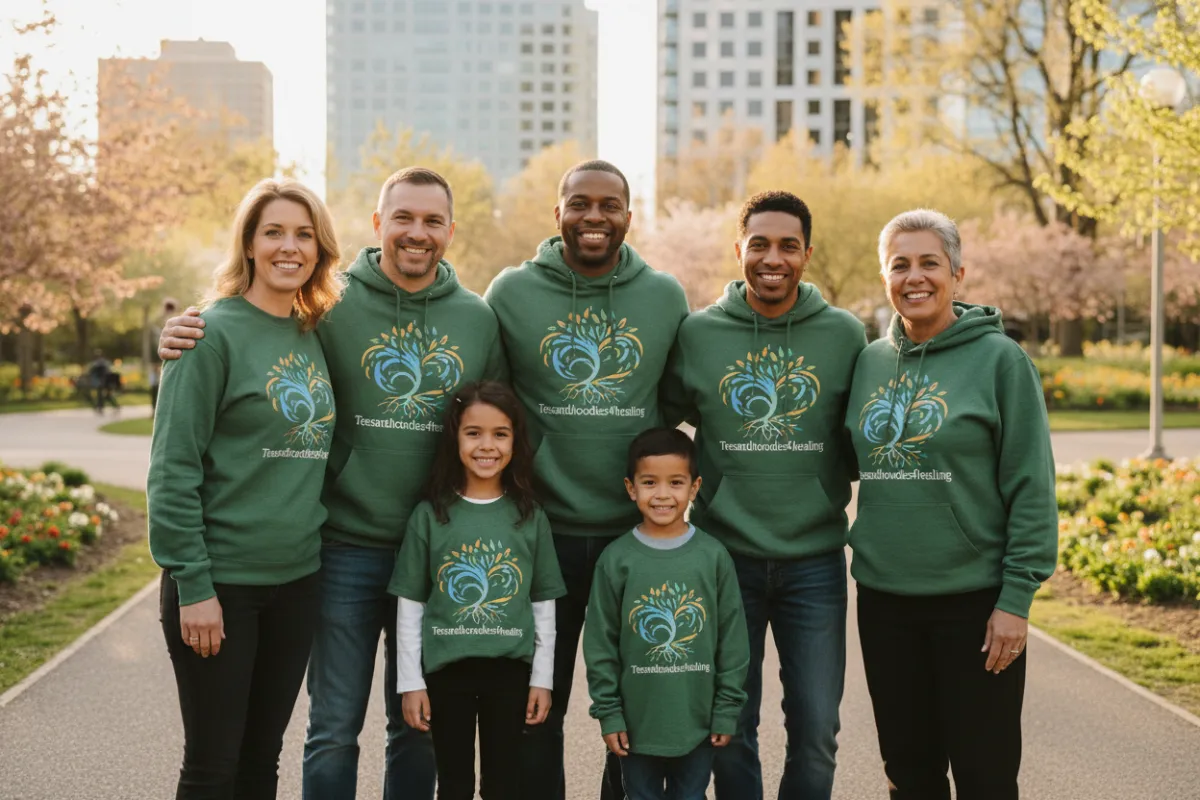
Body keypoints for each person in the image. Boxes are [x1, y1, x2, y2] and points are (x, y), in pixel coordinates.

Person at [158, 167, 508, 800]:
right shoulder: (325, 309)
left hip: (428, 552)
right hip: (339, 550)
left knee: (413, 727)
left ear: (451, 230)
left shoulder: (472, 319)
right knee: (328, 729)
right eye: (402, 217)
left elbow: (493, 427)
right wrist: (183, 333)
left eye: (432, 221)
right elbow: (236, 338)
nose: (416, 232)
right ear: (377, 225)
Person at [484, 160, 691, 800]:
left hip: (635, 542)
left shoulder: (664, 297)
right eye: (579, 204)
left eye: (609, 205)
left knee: (635, 709)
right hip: (542, 537)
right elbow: (490, 408)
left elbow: (682, 400)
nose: (593, 217)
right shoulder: (512, 293)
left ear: (630, 215)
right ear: (558, 214)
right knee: (535, 706)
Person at [661, 191, 867, 800]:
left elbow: (862, 436)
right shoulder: (699, 334)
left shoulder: (844, 335)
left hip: (816, 563)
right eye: (759, 244)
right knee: (729, 724)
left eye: (787, 246)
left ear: (807, 253)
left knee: (816, 728)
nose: (771, 257)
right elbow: (657, 427)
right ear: (739, 250)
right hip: (724, 560)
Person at [845, 209, 1056, 799]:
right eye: (900, 264)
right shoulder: (869, 363)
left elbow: (1032, 488)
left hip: (975, 606)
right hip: (885, 601)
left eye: (929, 263)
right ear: (885, 277)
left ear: (958, 273)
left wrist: (1016, 599)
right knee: (909, 774)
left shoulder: (1001, 362)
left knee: (985, 775)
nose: (915, 277)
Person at [148, 177, 342, 798]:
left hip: (297, 582)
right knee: (212, 767)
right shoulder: (208, 334)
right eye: (275, 232)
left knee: (262, 761)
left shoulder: (313, 334)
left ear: (320, 249)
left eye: (304, 234)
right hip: (220, 586)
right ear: (250, 245)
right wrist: (193, 586)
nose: (291, 247)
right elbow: (171, 469)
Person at [390, 381, 566, 799]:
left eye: (500, 434)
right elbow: (410, 605)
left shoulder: (530, 516)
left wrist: (542, 679)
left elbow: (543, 605)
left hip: (510, 672)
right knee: (453, 783)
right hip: (445, 672)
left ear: (515, 441)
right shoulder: (429, 515)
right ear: (454, 438)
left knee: (504, 783)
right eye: (473, 433)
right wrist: (410, 683)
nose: (487, 446)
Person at [584, 427, 749, 800]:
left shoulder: (713, 557)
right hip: (637, 727)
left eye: (675, 482)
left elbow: (733, 640)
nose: (662, 494)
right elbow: (600, 644)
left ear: (694, 488)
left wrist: (726, 710)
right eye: (649, 483)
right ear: (631, 488)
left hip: (698, 723)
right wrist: (609, 713)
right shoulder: (616, 560)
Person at [87, 349, 115, 414]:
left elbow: (91, 372)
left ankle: (101, 406)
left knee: (103, 395)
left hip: (101, 381)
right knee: (103, 395)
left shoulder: (96, 364)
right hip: (103, 381)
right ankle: (101, 406)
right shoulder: (104, 363)